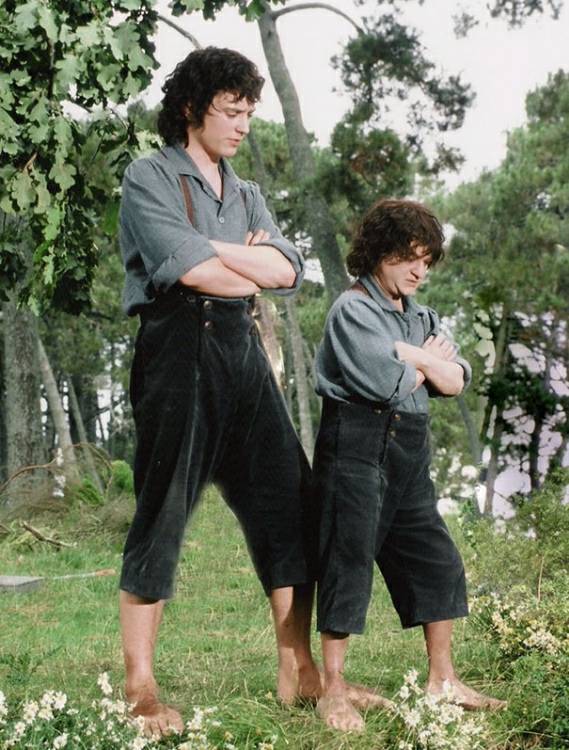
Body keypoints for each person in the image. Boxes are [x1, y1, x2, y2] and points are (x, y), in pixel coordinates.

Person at [117, 47, 323, 736]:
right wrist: (244, 261)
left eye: (248, 114)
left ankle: (298, 670)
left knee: (290, 501)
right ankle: (140, 688)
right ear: (190, 108)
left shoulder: (245, 191)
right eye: (230, 112)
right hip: (177, 348)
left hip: (244, 350)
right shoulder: (149, 176)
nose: (242, 126)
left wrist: (218, 252)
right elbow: (189, 271)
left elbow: (287, 272)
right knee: (163, 510)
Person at [312, 198, 507, 732]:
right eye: (408, 257)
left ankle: (443, 680)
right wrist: (426, 359)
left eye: (426, 260)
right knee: (348, 560)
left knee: (436, 559)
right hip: (356, 445)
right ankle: (333, 689)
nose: (419, 271)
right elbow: (383, 383)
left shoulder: (422, 316)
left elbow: (458, 379)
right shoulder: (352, 310)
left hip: (410, 449)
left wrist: (410, 356)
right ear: (379, 252)